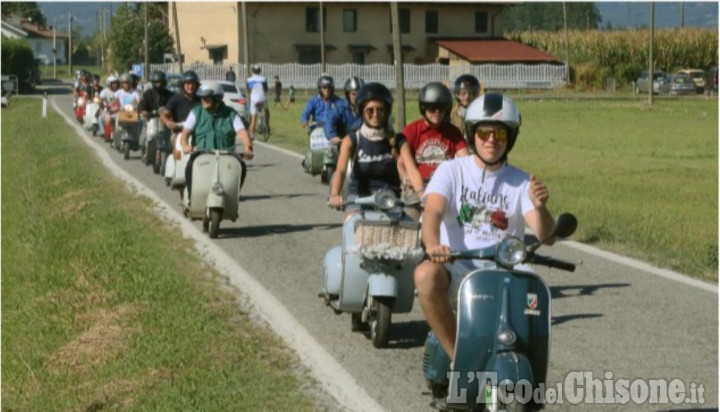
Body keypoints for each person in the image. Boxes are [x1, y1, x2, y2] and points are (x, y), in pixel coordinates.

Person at [413, 93, 556, 362]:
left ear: (510, 138)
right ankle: (460, 358)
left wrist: (540, 208)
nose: (491, 140)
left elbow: (546, 237)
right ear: (471, 133)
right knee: (425, 276)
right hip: (458, 264)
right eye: (484, 132)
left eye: (500, 134)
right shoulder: (451, 170)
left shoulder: (522, 181)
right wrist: (433, 245)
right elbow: (432, 211)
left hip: (505, 269)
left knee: (536, 295)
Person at [328, 83, 424, 217]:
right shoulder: (351, 140)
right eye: (370, 110)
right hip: (358, 200)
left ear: (387, 112)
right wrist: (335, 194)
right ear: (362, 111)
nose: (375, 114)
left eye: (380, 110)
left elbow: (412, 170)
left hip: (391, 202)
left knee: (410, 230)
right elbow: (341, 171)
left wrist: (422, 195)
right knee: (352, 228)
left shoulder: (399, 141)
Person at [180, 81, 254, 199]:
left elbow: (242, 132)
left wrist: (248, 148)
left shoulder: (230, 114)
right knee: (190, 167)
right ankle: (191, 197)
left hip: (227, 154)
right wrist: (185, 145)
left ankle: (233, 195)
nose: (203, 100)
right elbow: (185, 133)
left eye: (207, 98)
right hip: (201, 153)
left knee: (241, 166)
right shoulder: (196, 112)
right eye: (202, 97)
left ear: (217, 98)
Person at [399, 82, 469, 185]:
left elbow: (466, 159)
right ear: (423, 108)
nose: (437, 112)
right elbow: (401, 162)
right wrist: (405, 176)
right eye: (432, 108)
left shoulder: (453, 132)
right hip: (418, 183)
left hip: (446, 183)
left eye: (441, 108)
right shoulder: (412, 130)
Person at [324, 77, 364, 146]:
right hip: (344, 143)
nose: (356, 97)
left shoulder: (367, 108)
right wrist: (333, 136)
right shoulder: (340, 107)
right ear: (348, 95)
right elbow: (329, 121)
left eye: (359, 94)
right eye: (353, 94)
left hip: (364, 143)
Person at [450, 74, 481, 139]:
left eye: (471, 93)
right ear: (457, 94)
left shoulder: (480, 112)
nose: (467, 97)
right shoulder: (450, 112)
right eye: (463, 93)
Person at [247, 64, 269, 138]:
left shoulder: (249, 80)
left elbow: (248, 90)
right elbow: (266, 89)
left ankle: (252, 135)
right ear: (259, 72)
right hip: (263, 98)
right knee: (266, 110)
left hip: (254, 99)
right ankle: (267, 123)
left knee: (253, 118)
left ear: (252, 71)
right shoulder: (263, 79)